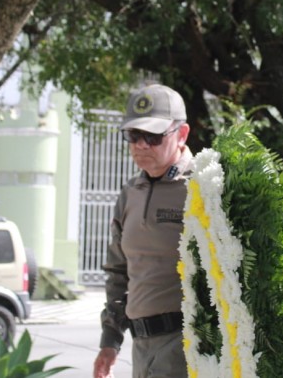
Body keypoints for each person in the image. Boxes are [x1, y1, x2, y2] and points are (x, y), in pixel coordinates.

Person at [93, 84, 191, 378]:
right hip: (141, 349)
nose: (141, 145)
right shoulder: (129, 193)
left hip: (187, 348)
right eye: (134, 135)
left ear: (181, 134)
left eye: (154, 136)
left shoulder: (204, 189)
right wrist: (110, 340)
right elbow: (118, 271)